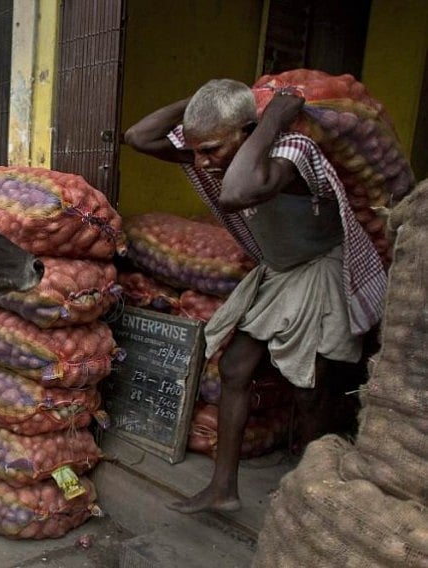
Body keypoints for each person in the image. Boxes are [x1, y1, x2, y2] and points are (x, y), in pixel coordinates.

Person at [124, 79, 387, 513]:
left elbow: (236, 193)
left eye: (210, 149)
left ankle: (312, 490)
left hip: (320, 270)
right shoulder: (222, 153)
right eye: (195, 151)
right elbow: (140, 136)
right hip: (280, 272)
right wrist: (201, 102)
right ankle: (223, 488)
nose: (200, 162)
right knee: (234, 367)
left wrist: (272, 119)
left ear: (247, 132)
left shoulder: (291, 154)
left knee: (309, 387)